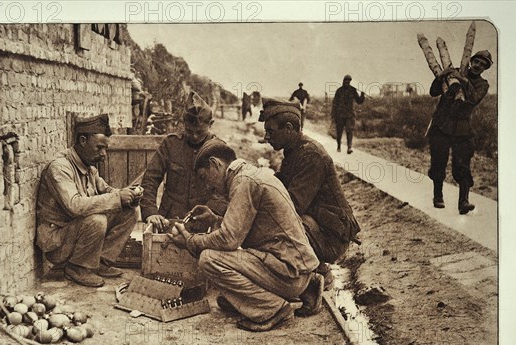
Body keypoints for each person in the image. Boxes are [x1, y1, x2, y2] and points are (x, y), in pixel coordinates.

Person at [169, 139, 321, 331]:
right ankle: (307, 289)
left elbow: (229, 239)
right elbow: (245, 228)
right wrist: (214, 219)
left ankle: (273, 309)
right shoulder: (250, 174)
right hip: (295, 267)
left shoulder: (243, 182)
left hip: (289, 273)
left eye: (205, 177)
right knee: (228, 290)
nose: (207, 186)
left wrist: (191, 241)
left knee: (208, 259)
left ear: (215, 164)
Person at [259, 98, 361, 302]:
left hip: (331, 238)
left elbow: (291, 206)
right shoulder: (294, 150)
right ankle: (308, 271)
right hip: (320, 227)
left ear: (288, 128)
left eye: (271, 131)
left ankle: (317, 274)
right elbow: (281, 185)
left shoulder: (310, 155)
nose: (266, 137)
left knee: (274, 228)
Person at [36, 114, 141, 288]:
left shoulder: (89, 168)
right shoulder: (60, 167)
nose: (104, 154)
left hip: (75, 233)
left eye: (106, 149)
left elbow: (106, 190)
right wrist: (116, 198)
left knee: (129, 212)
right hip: (58, 243)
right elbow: (75, 206)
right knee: (97, 220)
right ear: (83, 140)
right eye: (99, 148)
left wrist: (126, 195)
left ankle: (101, 262)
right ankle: (77, 268)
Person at [140, 91, 226, 232]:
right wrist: (150, 212)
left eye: (199, 132)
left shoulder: (220, 149)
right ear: (184, 123)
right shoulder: (170, 144)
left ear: (211, 124)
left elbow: (225, 191)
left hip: (204, 223)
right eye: (189, 130)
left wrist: (209, 213)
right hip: (169, 220)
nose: (194, 136)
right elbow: (150, 179)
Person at [427, 50, 492, 214]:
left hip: (462, 129)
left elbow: (473, 99)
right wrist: (441, 75)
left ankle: (464, 202)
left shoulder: (483, 84)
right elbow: (434, 92)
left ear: (485, 69)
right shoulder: (453, 72)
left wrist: (464, 81)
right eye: (477, 62)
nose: (478, 66)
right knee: (438, 162)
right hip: (442, 125)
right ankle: (438, 197)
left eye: (483, 65)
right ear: (471, 61)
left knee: (462, 166)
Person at [331, 75, 365, 154]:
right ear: (343, 81)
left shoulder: (353, 90)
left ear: (350, 81)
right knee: (339, 131)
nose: (347, 82)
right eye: (346, 80)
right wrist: (333, 115)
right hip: (340, 115)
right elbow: (334, 104)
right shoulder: (339, 91)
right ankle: (339, 145)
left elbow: (359, 101)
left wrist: (362, 95)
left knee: (349, 130)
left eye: (349, 81)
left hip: (349, 115)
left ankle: (349, 147)